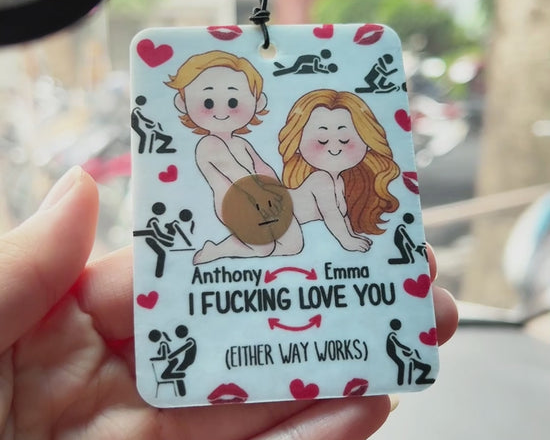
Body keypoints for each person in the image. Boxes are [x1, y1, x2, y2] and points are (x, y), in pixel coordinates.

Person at [0, 166, 457, 438]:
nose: (223, 108)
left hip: (261, 198)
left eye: (235, 99)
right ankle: (224, 248)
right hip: (243, 203)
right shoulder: (211, 149)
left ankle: (226, 248)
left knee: (293, 238)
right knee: (288, 240)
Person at [166, 50, 303, 264]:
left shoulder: (241, 143)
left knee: (293, 245)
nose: (221, 112)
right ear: (182, 104)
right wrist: (261, 194)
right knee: (263, 248)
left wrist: (279, 193)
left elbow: (263, 168)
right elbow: (237, 174)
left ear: (258, 102)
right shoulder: (208, 144)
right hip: (236, 203)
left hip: (265, 198)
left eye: (232, 102)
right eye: (208, 103)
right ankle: (218, 250)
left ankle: (240, 248)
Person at [278, 89, 400, 251]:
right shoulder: (320, 179)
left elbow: (342, 215)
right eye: (322, 140)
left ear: (367, 142)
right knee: (293, 247)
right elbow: (331, 214)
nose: (334, 149)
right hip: (270, 217)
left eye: (344, 140)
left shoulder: (339, 181)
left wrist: (352, 235)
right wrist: (347, 241)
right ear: (297, 144)